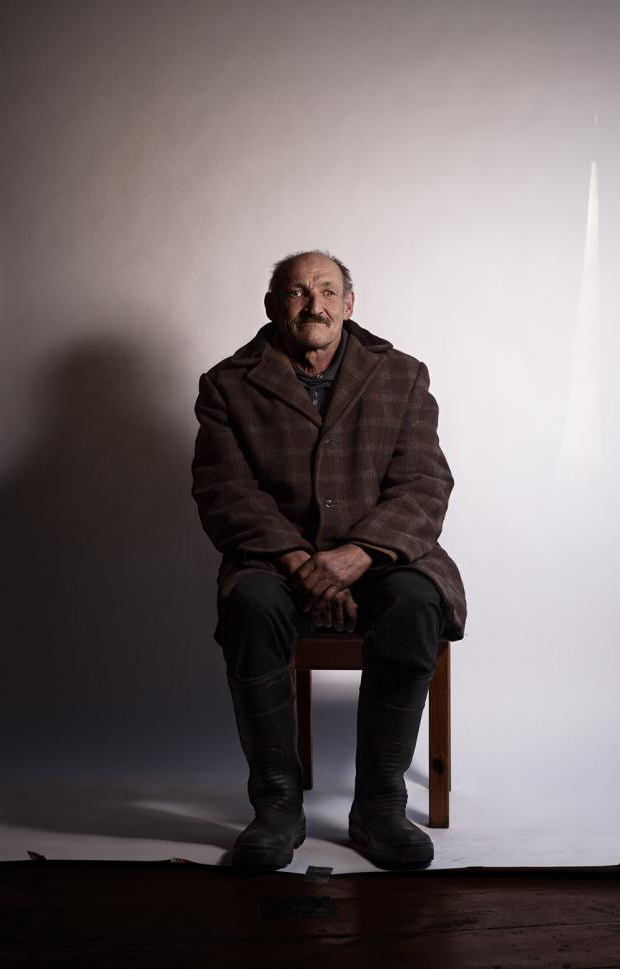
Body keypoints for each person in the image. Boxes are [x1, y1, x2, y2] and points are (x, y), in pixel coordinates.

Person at [191, 250, 467, 871]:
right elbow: (224, 491)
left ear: (348, 304)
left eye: (326, 291)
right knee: (250, 604)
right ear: (272, 306)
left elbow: (424, 483)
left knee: (417, 601)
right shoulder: (227, 384)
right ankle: (276, 806)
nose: (313, 305)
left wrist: (357, 555)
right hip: (276, 560)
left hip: (383, 557)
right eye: (296, 292)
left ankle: (379, 806)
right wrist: (302, 563)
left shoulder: (402, 375)